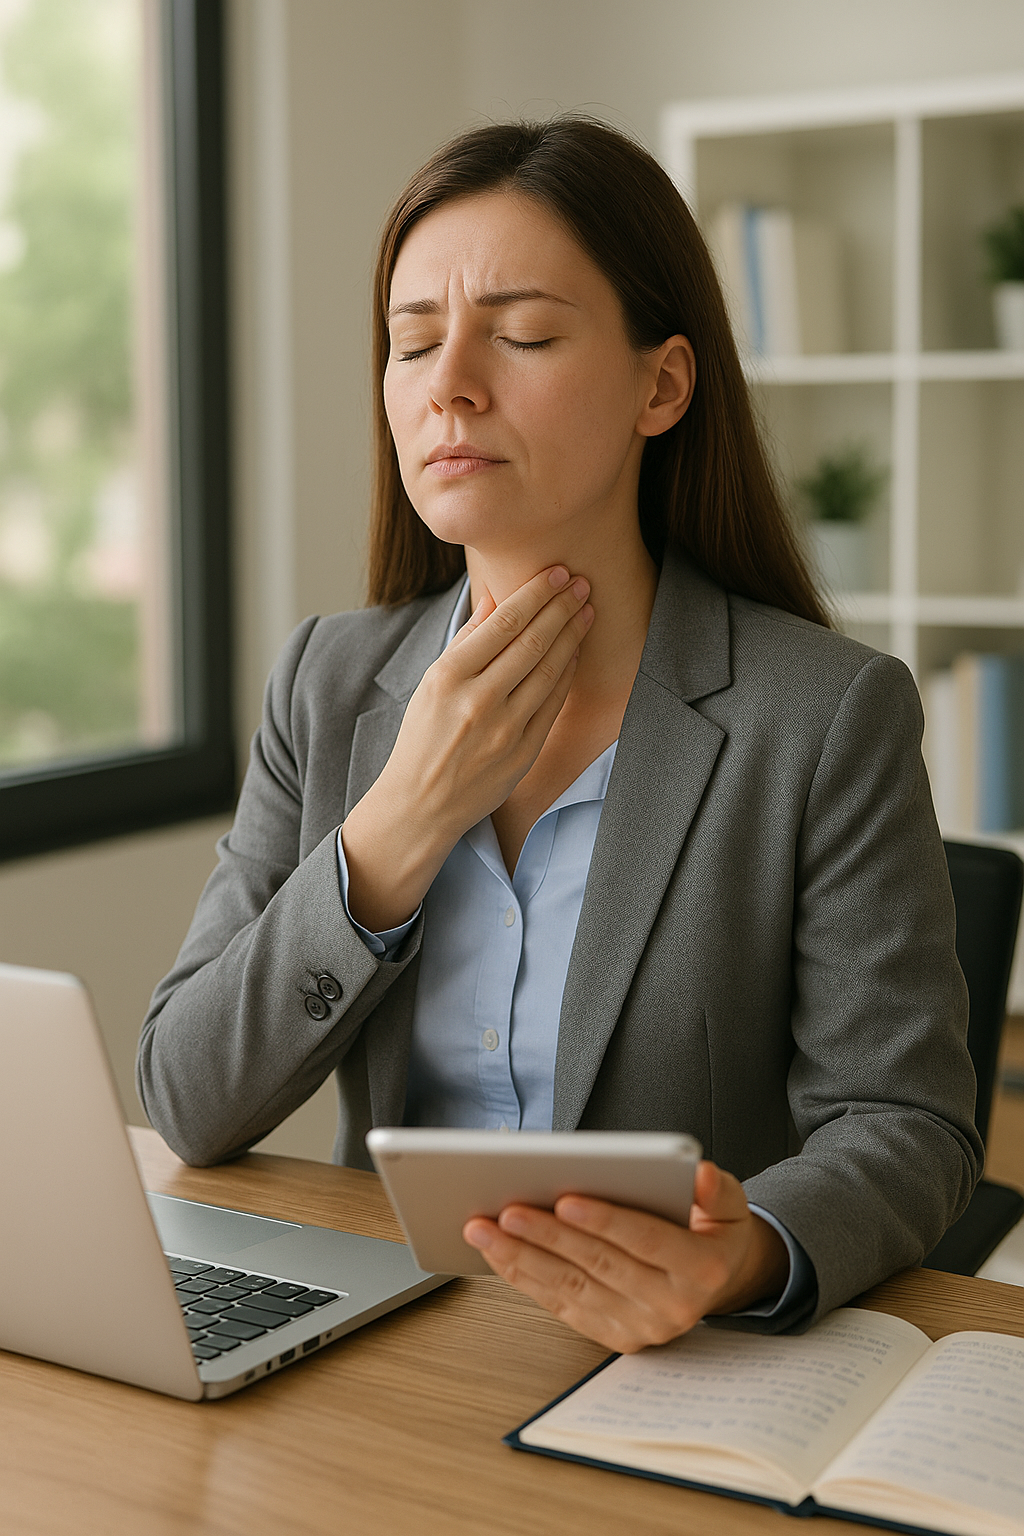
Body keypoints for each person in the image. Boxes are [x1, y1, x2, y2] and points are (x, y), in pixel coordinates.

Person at [137, 117, 980, 1355]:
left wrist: (742, 1251)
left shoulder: (825, 716)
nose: (448, 384)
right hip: (394, 1350)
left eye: (522, 335)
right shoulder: (325, 683)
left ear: (661, 386)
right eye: (412, 342)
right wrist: (400, 823)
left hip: (672, 1366)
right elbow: (187, 1098)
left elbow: (907, 1125)